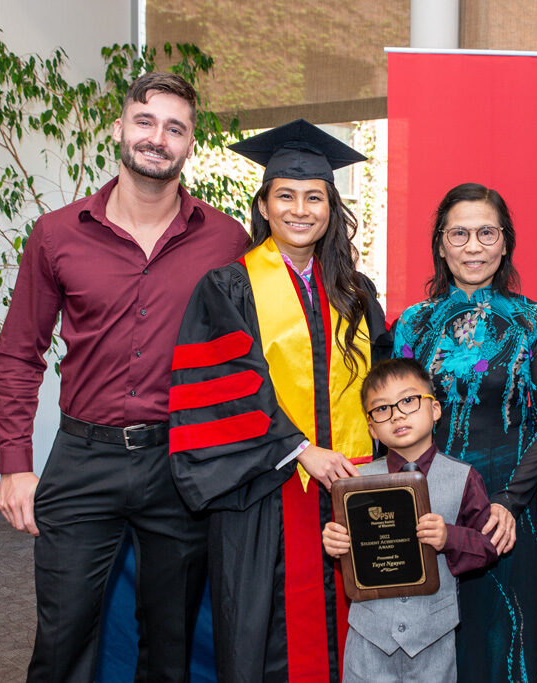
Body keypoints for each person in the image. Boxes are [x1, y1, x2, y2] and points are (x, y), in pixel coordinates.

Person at [0, 72, 248, 681]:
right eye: (145, 121)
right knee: (62, 637)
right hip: (83, 460)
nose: (157, 138)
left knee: (170, 641)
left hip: (179, 462)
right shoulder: (56, 234)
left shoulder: (225, 240)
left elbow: (248, 354)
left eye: (174, 128)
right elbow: (19, 353)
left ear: (189, 145)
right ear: (120, 128)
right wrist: (14, 463)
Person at [167, 118, 389, 681]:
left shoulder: (357, 294)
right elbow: (225, 386)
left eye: (314, 197)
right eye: (285, 196)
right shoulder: (228, 286)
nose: (299, 209)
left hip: (350, 487)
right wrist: (299, 449)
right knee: (262, 635)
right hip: (262, 490)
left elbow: (380, 387)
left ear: (331, 208)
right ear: (263, 205)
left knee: (357, 631)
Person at [392, 182, 537, 682]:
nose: (473, 247)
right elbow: (395, 420)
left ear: (505, 242)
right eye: (459, 233)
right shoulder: (413, 325)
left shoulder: (532, 320)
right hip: (430, 503)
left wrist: (510, 501)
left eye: (486, 233)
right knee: (433, 635)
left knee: (504, 635)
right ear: (441, 244)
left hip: (507, 506)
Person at [322, 358, 499, 683]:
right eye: (382, 409)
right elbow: (350, 553)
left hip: (433, 640)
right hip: (367, 639)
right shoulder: (354, 483)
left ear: (434, 409)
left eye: (408, 401)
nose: (397, 414)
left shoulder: (464, 478)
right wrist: (336, 543)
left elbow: (488, 546)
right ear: (372, 428)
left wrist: (449, 537)